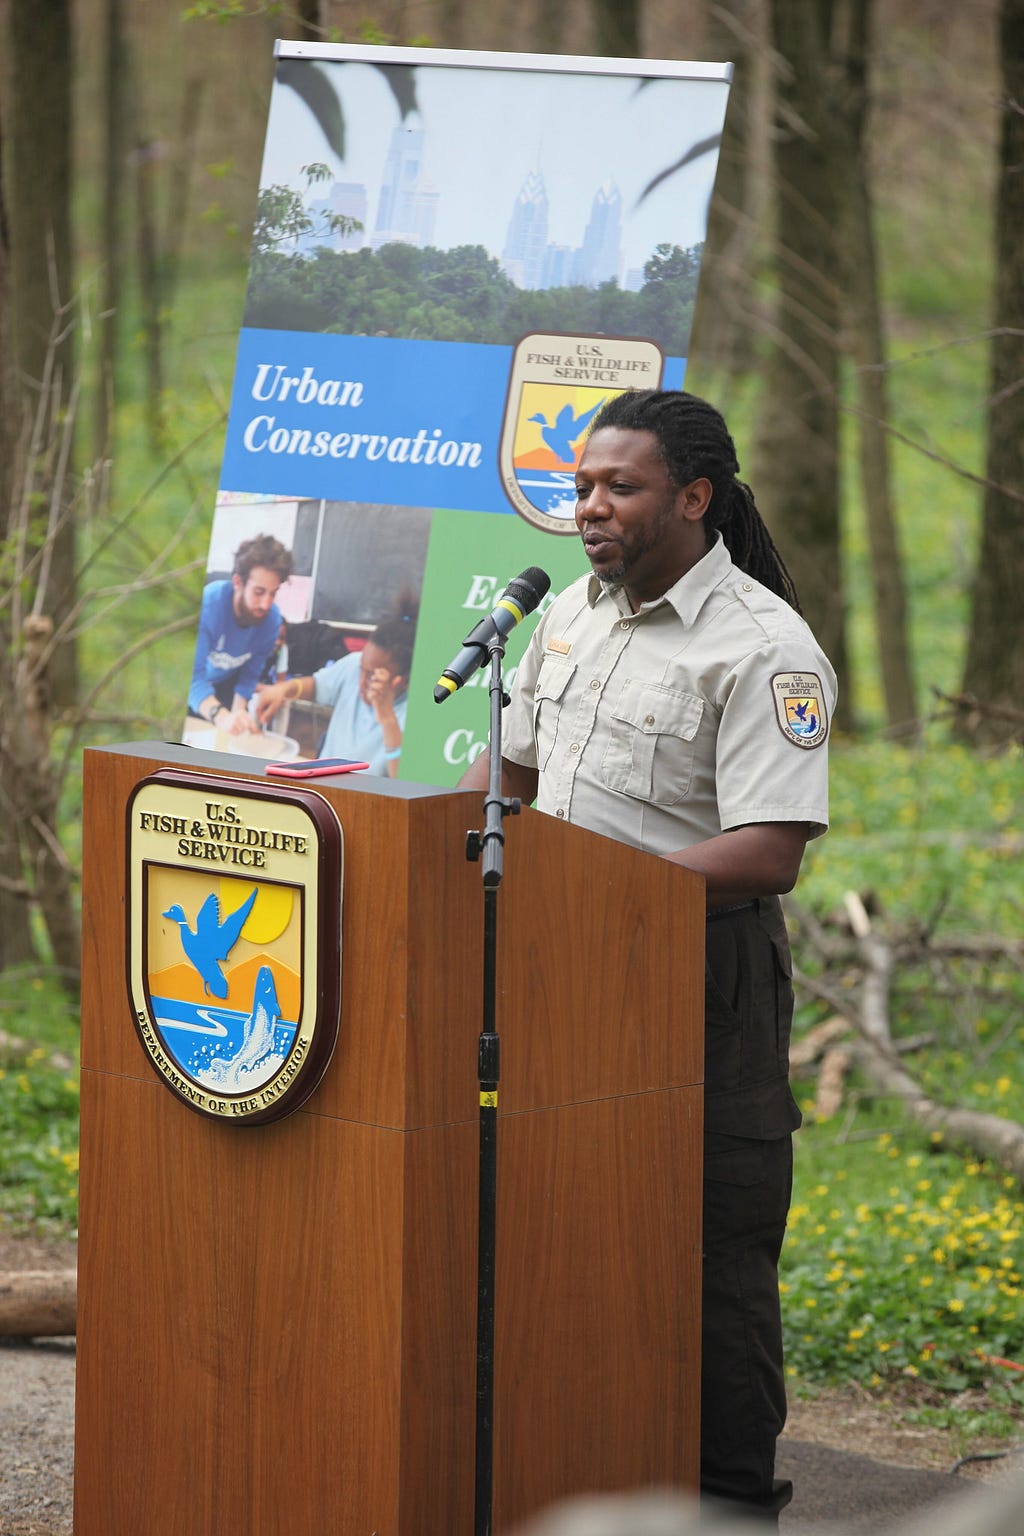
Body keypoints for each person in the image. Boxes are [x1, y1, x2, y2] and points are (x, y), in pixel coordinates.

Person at [458, 389, 837, 1525]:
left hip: (699, 978)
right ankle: (577, 1463)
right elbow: (515, 773)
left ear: (692, 496)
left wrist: (605, 897)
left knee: (709, 1263)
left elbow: (771, 850)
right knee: (567, 1224)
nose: (588, 509)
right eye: (581, 487)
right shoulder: (570, 612)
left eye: (616, 487)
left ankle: (730, 1504)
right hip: (564, 965)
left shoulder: (766, 648)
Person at [256, 595, 418, 778]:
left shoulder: (413, 716)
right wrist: (285, 689)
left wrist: (387, 717)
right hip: (324, 785)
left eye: (374, 676)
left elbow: (405, 782)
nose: (362, 681)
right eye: (362, 670)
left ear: (404, 680)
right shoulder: (352, 665)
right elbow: (316, 685)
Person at [188, 534, 295, 735]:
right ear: (238, 582)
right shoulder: (207, 606)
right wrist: (221, 716)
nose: (266, 604)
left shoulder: (272, 621)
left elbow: (250, 675)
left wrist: (238, 715)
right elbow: (192, 677)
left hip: (226, 684)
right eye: (259, 592)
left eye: (273, 593)